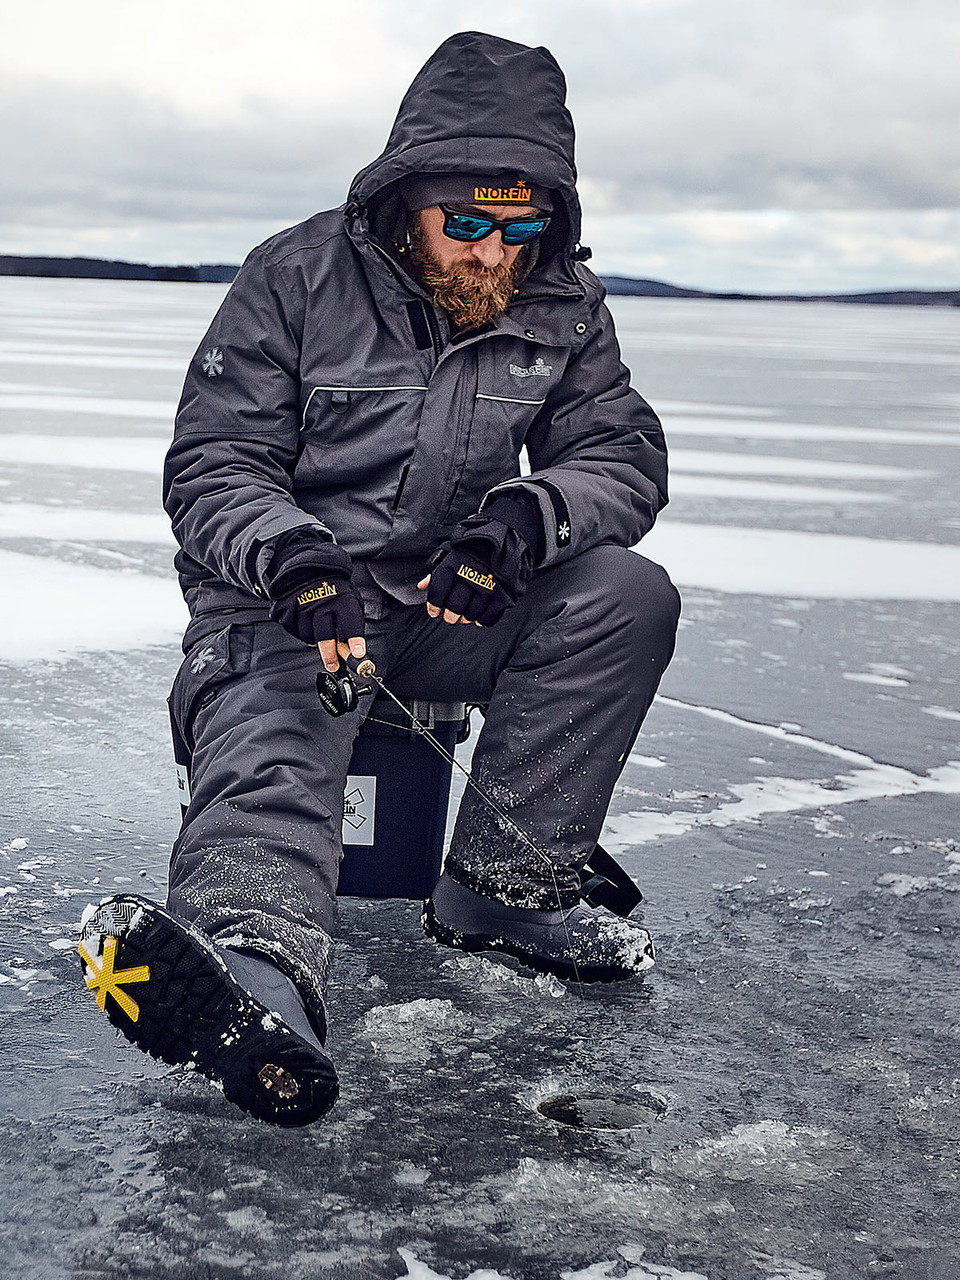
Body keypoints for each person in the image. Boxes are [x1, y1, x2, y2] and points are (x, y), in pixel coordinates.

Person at [77, 31, 680, 1127]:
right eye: (470, 225)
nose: (494, 255)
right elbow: (215, 461)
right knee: (275, 746)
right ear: (410, 202)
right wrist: (293, 555)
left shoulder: (565, 305)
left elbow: (620, 455)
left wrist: (524, 523)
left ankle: (503, 892)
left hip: (450, 604)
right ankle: (254, 975)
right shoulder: (295, 277)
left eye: (522, 228)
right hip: (288, 607)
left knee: (624, 597)